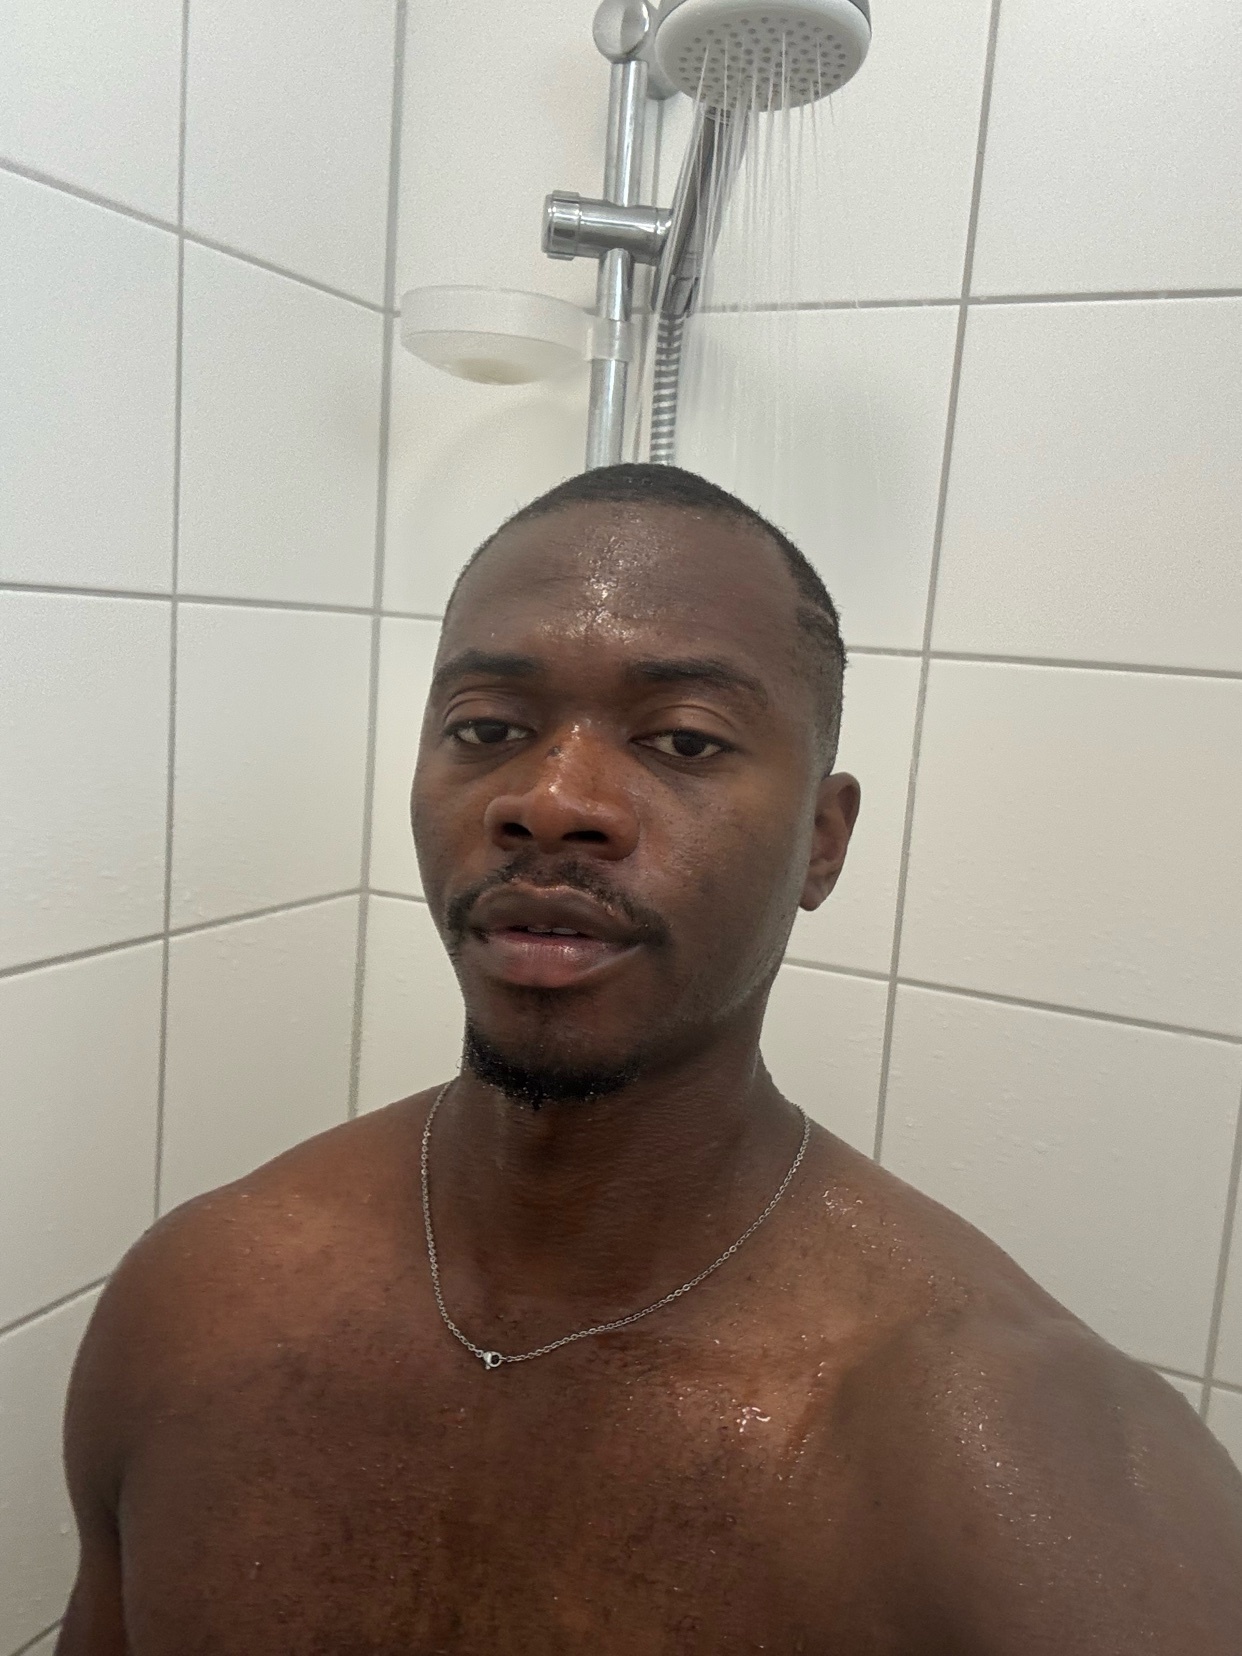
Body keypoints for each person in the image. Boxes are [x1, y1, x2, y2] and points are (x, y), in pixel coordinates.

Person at [58, 464, 1242, 1653]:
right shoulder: (197, 1301)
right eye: (488, 730)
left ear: (822, 842)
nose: (551, 801)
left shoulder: (1020, 1475)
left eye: (683, 739)